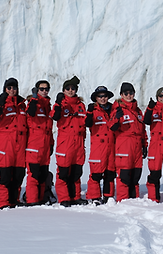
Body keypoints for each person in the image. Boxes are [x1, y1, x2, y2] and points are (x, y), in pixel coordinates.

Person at [52, 76, 88, 207]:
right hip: (65, 143)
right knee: (63, 172)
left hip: (78, 143)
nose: (70, 91)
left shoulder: (81, 105)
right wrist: (57, 104)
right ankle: (64, 198)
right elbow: (55, 117)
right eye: (68, 88)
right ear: (64, 90)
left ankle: (76, 196)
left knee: (76, 171)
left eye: (73, 88)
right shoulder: (60, 104)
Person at [0, 77, 28, 209]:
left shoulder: (22, 104)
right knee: (5, 175)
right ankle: (3, 202)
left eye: (14, 88)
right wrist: (1, 104)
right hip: (5, 144)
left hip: (20, 144)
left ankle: (14, 200)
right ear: (5, 89)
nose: (12, 90)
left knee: (18, 174)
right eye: (9, 88)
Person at [109, 82, 147, 201]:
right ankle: (123, 201)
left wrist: (145, 145)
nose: (129, 95)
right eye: (126, 93)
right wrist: (116, 118)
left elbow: (143, 130)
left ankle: (134, 201)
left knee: (135, 176)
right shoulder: (118, 109)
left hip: (137, 147)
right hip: (124, 145)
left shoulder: (138, 111)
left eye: (131, 93)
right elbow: (111, 126)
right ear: (121, 95)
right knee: (124, 176)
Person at [24, 80, 55, 206]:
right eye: (41, 89)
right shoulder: (33, 103)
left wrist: (51, 144)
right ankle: (32, 200)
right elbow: (30, 113)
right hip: (34, 146)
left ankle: (41, 198)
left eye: (46, 89)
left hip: (45, 146)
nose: (44, 91)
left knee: (43, 174)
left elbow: (49, 129)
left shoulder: (48, 105)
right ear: (36, 90)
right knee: (34, 174)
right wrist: (35, 98)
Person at [86, 85, 116, 204]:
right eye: (100, 96)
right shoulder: (93, 110)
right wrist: (89, 113)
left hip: (111, 146)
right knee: (96, 174)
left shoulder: (113, 110)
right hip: (98, 146)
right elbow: (88, 124)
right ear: (96, 98)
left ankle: (108, 196)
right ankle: (95, 197)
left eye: (105, 96)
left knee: (110, 173)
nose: (103, 98)